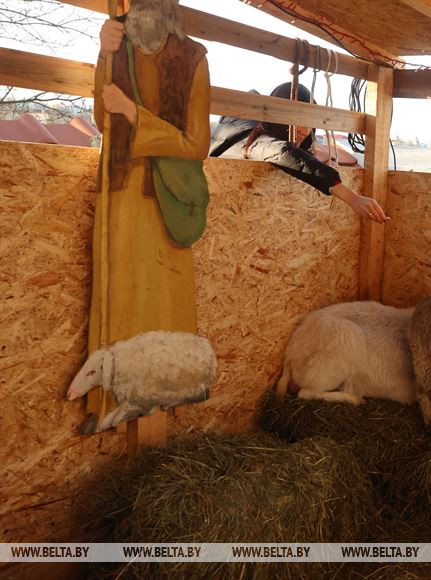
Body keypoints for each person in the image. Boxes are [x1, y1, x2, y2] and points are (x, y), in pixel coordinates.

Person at [87, 0, 211, 432]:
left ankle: (165, 393)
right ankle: (112, 397)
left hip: (166, 201)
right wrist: (104, 55)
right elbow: (102, 118)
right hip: (121, 192)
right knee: (120, 297)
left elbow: (198, 144)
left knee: (162, 305)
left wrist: (133, 113)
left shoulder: (193, 56)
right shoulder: (114, 42)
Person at [209, 82, 388, 223]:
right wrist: (353, 198)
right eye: (298, 123)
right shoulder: (253, 140)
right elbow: (282, 152)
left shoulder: (291, 138)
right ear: (280, 120)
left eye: (308, 125)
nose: (303, 131)